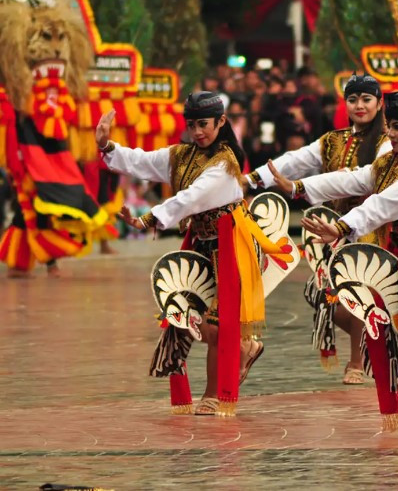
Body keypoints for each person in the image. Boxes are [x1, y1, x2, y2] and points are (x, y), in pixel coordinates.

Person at [271, 89, 398, 439]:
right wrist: (299, 187)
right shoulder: (391, 161)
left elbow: (381, 205)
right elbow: (354, 179)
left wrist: (340, 227)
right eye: (389, 126)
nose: (391, 133)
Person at [96, 91, 280, 416]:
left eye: (204, 124)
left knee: (218, 324)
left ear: (221, 122)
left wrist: (147, 219)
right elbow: (145, 161)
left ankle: (213, 394)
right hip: (203, 243)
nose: (198, 132)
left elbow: (191, 198)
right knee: (194, 320)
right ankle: (245, 349)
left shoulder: (225, 163)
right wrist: (107, 147)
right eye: (192, 125)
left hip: (233, 243)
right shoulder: (183, 155)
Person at [246, 74, 392, 384]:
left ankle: (356, 362)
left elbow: (365, 178)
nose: (360, 105)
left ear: (379, 103)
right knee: (324, 296)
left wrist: (300, 187)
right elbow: (294, 161)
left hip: (369, 226)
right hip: (330, 229)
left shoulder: (387, 142)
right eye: (353, 99)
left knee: (356, 291)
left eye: (367, 99)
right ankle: (376, 342)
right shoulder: (332, 141)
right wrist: (251, 180)